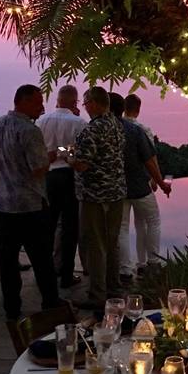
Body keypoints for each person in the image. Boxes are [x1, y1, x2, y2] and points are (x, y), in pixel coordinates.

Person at [0, 84, 60, 320]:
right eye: (38, 102)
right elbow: (38, 168)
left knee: (8, 261)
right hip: (29, 204)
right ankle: (51, 303)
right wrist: (51, 157)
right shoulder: (29, 130)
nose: (42, 107)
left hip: (1, 204)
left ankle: (12, 309)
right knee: (42, 258)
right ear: (23, 102)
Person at [70, 86, 126, 306]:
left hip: (95, 194)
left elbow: (82, 164)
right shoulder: (116, 125)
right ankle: (114, 289)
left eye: (85, 104)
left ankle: (97, 296)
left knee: (95, 244)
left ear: (92, 103)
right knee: (112, 243)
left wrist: (70, 157)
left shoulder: (93, 129)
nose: (84, 108)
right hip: (116, 192)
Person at [112, 93, 170, 282]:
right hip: (140, 185)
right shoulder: (140, 129)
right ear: (138, 108)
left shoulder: (107, 130)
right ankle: (152, 262)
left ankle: (126, 269)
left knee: (122, 228)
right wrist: (159, 182)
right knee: (151, 222)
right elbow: (150, 159)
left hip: (118, 187)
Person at [36, 85, 87, 288]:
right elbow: (78, 151)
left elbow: (40, 148)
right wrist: (63, 150)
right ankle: (66, 275)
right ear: (75, 102)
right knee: (69, 227)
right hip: (68, 176)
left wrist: (55, 150)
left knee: (48, 226)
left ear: (57, 100)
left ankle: (46, 274)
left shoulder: (41, 121)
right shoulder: (79, 123)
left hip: (47, 177)